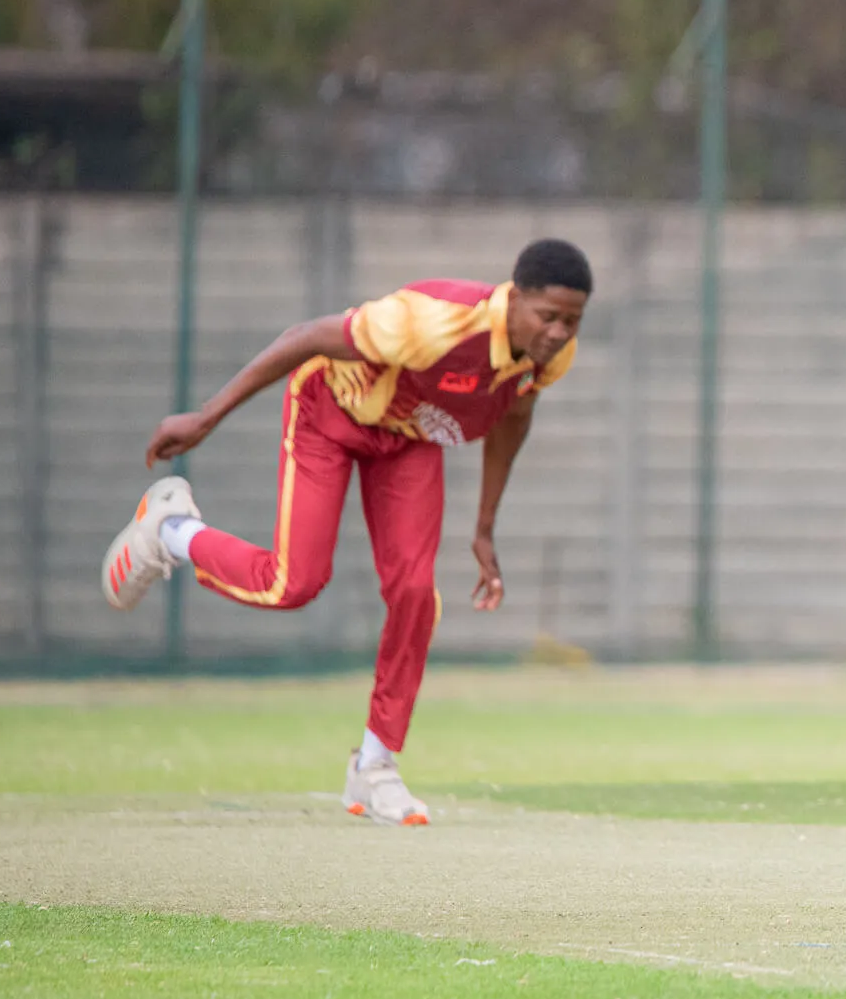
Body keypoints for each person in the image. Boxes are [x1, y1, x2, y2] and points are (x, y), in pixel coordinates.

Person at [100, 239, 592, 822]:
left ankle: (374, 766)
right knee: (293, 584)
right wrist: (206, 417)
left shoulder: (548, 356)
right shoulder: (433, 321)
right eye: (549, 316)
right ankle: (171, 531)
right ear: (516, 296)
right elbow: (305, 336)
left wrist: (484, 528)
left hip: (407, 439)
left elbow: (515, 415)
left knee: (415, 594)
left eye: (572, 320)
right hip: (330, 413)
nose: (560, 332)